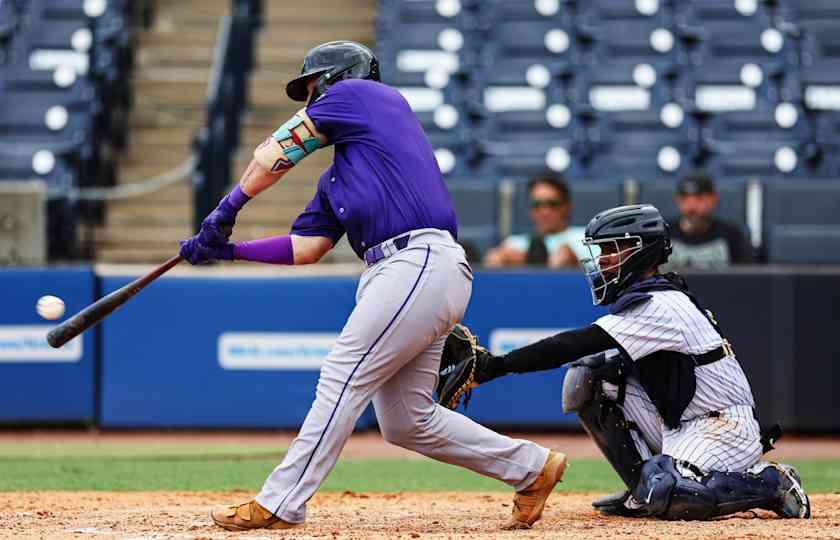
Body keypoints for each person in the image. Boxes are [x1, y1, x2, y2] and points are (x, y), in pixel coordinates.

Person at [179, 41, 564, 532]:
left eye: (314, 85)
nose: (310, 97)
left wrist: (225, 210)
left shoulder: (364, 95)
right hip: (402, 274)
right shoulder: (342, 176)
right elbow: (308, 246)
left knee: (342, 374)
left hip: (417, 260)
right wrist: (230, 251)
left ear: (343, 76)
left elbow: (275, 152)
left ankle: (280, 501)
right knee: (407, 421)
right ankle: (532, 468)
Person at [436, 204, 811, 521]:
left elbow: (574, 342)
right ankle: (641, 488)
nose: (602, 261)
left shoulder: (660, 305)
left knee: (668, 492)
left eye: (612, 250)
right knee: (592, 376)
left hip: (723, 426)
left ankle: (771, 484)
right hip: (681, 420)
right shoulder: (649, 296)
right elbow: (588, 355)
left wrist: (495, 367)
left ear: (641, 251)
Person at [484, 175, 587, 269]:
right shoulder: (513, 243)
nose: (544, 212)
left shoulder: (587, 239)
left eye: (552, 204)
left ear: (567, 207)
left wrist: (575, 263)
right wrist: (497, 259)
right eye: (537, 205)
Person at [667, 171, 755, 269]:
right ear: (677, 200)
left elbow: (748, 278)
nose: (692, 206)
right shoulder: (662, 235)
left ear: (713, 199)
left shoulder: (732, 236)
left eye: (699, 198)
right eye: (685, 199)